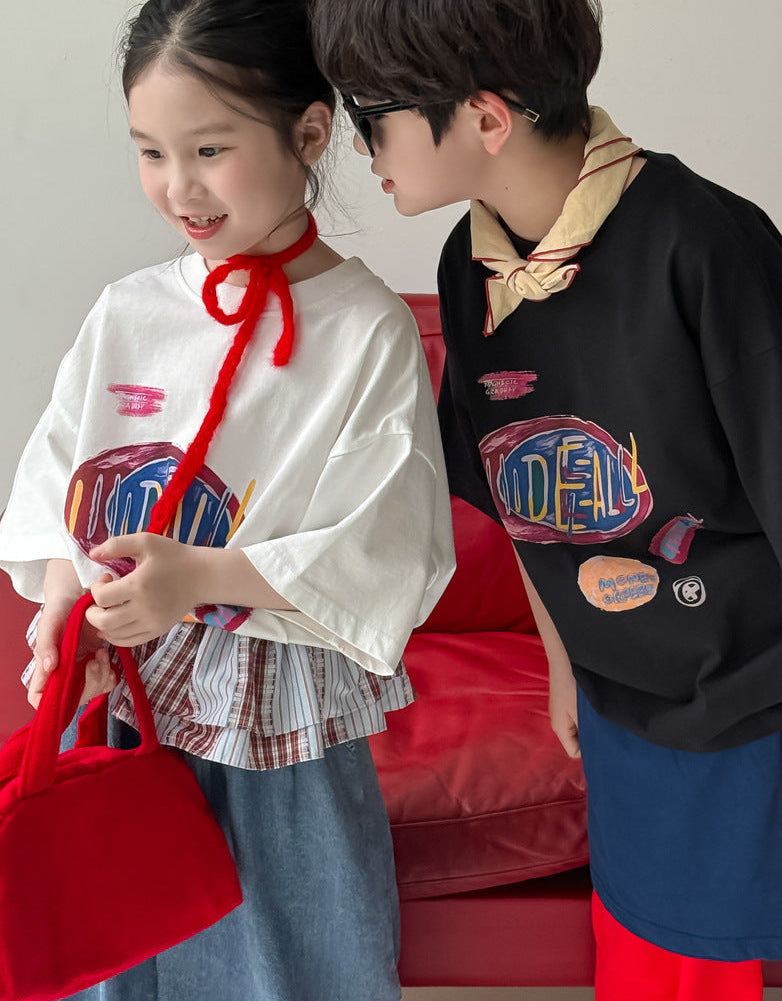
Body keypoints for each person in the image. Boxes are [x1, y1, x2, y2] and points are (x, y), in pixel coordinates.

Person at [311, 2, 782, 999]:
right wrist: (564, 664)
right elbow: (520, 499)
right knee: (658, 958)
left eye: (373, 117)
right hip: (630, 691)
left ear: (485, 117)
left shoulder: (701, 236)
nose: (360, 147)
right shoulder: (473, 266)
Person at [0, 0, 455, 998]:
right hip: (127, 699)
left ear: (309, 132)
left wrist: (198, 577)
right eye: (150, 152)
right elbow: (58, 481)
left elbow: (386, 542)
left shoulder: (366, 328)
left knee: (292, 963)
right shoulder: (129, 311)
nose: (179, 186)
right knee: (121, 949)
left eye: (210, 149)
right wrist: (67, 606)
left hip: (280, 727)